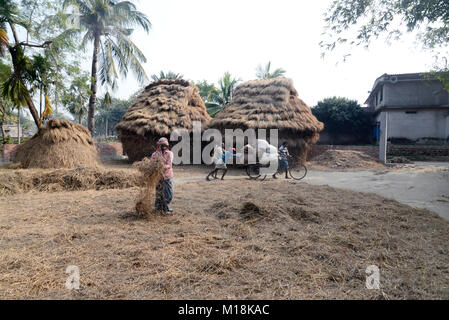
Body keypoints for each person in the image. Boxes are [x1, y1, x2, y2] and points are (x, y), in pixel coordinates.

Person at [151, 137, 174, 213]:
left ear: (167, 145)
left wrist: (161, 166)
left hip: (167, 177)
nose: (163, 146)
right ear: (159, 145)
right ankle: (158, 209)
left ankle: (166, 207)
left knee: (168, 195)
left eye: (165, 145)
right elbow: (151, 163)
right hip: (158, 177)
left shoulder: (169, 154)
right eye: (162, 145)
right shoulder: (155, 154)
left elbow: (169, 165)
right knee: (158, 194)